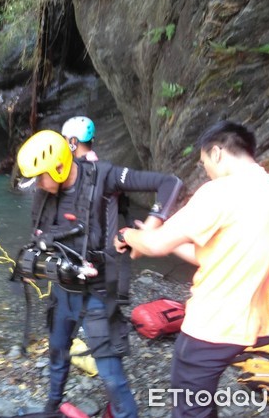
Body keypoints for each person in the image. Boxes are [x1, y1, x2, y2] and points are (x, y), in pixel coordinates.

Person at [114, 121, 269, 417]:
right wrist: (159, 242)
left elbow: (154, 244)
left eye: (204, 162)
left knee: (190, 409)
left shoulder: (220, 191)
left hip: (211, 328)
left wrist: (127, 236)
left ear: (218, 153)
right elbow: (217, 256)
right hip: (257, 327)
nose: (206, 170)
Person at [16, 130, 182, 418]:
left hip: (98, 292)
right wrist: (32, 266)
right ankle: (51, 408)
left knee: (110, 374)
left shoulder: (103, 175)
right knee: (57, 353)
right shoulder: (43, 193)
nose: (37, 186)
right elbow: (41, 236)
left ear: (59, 166)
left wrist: (151, 226)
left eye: (40, 177)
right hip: (63, 290)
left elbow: (169, 182)